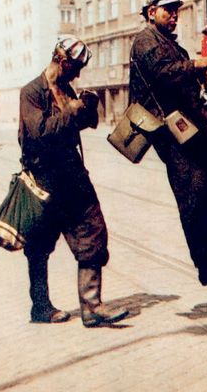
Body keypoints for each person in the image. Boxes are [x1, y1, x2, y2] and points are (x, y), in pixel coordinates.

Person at [129, 0, 207, 286]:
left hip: (190, 125)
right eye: (167, 10)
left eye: (176, 11)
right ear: (150, 12)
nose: (173, 16)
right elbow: (162, 74)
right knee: (193, 198)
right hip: (170, 131)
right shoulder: (145, 39)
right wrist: (200, 64)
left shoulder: (169, 42)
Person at [18, 35, 129, 327]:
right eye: (75, 67)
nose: (78, 74)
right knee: (40, 246)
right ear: (61, 60)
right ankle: (40, 307)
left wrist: (88, 109)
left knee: (94, 233)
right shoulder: (31, 93)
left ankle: (92, 308)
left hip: (72, 177)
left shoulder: (67, 89)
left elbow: (77, 124)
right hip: (44, 181)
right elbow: (42, 132)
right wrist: (74, 110)